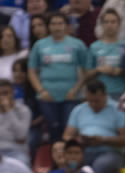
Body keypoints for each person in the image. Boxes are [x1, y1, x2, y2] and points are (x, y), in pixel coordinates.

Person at [63, 78, 125, 173]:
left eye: (97, 101)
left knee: (100, 165)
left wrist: (104, 140)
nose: (93, 104)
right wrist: (77, 141)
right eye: (90, 101)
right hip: (84, 150)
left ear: (105, 95)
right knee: (70, 162)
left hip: (110, 152)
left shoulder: (118, 109)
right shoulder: (79, 109)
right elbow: (66, 136)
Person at [28, 12, 88, 141]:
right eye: (53, 24)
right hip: (47, 97)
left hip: (71, 96)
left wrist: (76, 90)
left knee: (69, 132)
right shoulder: (39, 45)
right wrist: (41, 91)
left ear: (66, 25)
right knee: (53, 131)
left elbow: (86, 71)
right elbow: (32, 71)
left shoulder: (78, 45)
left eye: (60, 23)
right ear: (48, 26)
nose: (57, 27)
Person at [86, 9, 125, 101]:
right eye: (106, 22)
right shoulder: (94, 47)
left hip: (121, 92)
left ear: (119, 24)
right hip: (100, 94)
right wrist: (98, 70)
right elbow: (86, 74)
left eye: (113, 22)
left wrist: (119, 71)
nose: (109, 25)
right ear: (102, 25)